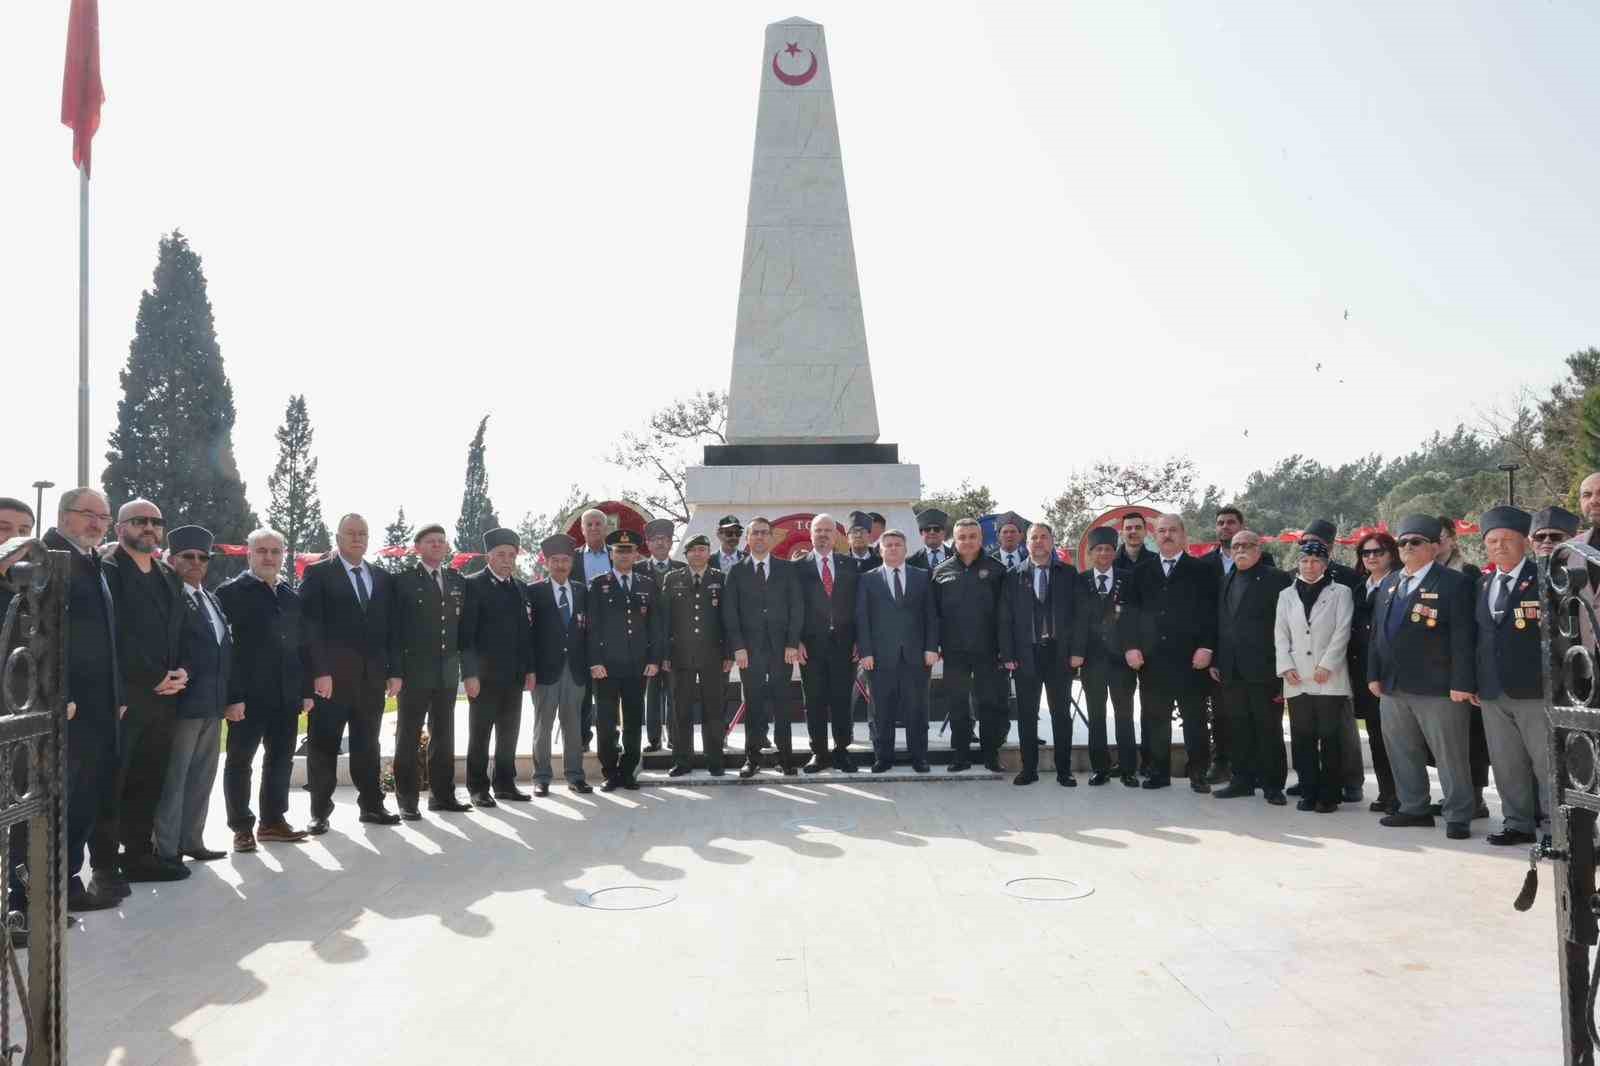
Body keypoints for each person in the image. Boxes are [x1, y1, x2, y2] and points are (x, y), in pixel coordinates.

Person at [95, 497, 189, 884]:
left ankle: (138, 856)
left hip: (166, 698)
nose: (148, 527)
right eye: (139, 521)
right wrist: (152, 677)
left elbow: (178, 631)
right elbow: (115, 634)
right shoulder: (107, 570)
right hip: (127, 696)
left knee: (150, 778)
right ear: (120, 529)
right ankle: (104, 866)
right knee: (115, 782)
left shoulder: (169, 576)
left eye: (155, 521)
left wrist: (182, 672)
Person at [1367, 514, 1477, 839]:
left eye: (1415, 542)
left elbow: (1463, 637)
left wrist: (1462, 682)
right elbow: (1377, 635)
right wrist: (1374, 674)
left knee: (1450, 754)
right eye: (1402, 542)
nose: (1408, 547)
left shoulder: (1454, 583)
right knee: (1401, 750)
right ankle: (1413, 807)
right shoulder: (1389, 582)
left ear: (1433, 546)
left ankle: (1458, 814)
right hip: (1393, 685)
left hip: (1439, 687)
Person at [42, 489, 124, 912]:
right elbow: (43, 634)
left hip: (98, 707)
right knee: (63, 800)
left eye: (103, 517)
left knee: (86, 798)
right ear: (63, 515)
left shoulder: (92, 561)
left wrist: (117, 695)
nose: (97, 523)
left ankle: (69, 884)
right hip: (69, 707)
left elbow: (104, 639)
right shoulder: (48, 557)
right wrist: (64, 694)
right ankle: (48, 892)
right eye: (87, 514)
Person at [299, 513, 401, 833]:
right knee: (323, 746)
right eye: (351, 533)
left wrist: (394, 671)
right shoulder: (318, 574)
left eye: (363, 533)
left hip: (371, 681)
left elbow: (391, 631)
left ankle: (372, 806)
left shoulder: (383, 578)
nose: (358, 538)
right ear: (339, 537)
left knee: (368, 745)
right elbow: (310, 628)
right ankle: (320, 811)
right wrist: (319, 672)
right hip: (331, 682)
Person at [215, 528, 312, 851]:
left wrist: (305, 691)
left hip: (286, 697)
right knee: (240, 761)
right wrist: (232, 697)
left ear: (283, 555)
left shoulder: (289, 595)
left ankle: (273, 822)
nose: (269, 557)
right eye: (262, 551)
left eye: (275, 551)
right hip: (247, 698)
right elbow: (224, 650)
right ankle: (242, 828)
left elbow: (300, 648)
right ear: (249, 554)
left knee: (280, 760)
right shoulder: (230, 593)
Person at [152, 525, 230, 869]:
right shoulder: (169, 597)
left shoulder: (209, 597)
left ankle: (192, 840)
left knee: (202, 777)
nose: (196, 562)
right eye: (188, 556)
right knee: (175, 779)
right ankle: (166, 849)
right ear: (171, 559)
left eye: (202, 557)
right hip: (181, 704)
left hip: (212, 705)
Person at [1121, 514, 1216, 791]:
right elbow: (1128, 614)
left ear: (1184, 535)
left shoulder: (1202, 570)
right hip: (1152, 660)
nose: (1167, 535)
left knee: (1195, 720)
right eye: (1161, 531)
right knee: (1155, 720)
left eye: (1173, 530)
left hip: (1191, 660)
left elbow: (1211, 613)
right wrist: (1131, 647)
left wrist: (1207, 647)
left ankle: (1198, 773)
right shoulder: (1141, 572)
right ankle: (1158, 773)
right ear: (1155, 535)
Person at [1473, 506, 1549, 846]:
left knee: (1547, 764)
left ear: (1525, 542)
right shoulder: (1483, 583)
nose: (1499, 546)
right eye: (1492, 541)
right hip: (1492, 689)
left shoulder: (1544, 577)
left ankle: (1555, 830)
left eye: (1508, 540)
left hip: (1535, 689)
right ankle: (1517, 823)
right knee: (1506, 763)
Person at [389, 523, 471, 818]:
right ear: (418, 547)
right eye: (431, 541)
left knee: (444, 734)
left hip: (447, 670)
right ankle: (407, 800)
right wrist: (395, 671)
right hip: (414, 671)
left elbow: (463, 629)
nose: (437, 545)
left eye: (441, 541)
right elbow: (394, 631)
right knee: (408, 735)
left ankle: (442, 795)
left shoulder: (456, 580)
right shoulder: (403, 582)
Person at [1211, 531, 1293, 803]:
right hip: (1231, 668)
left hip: (1265, 668)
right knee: (1238, 727)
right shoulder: (1225, 580)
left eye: (1247, 545)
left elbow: (1286, 626)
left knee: (1268, 727)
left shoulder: (1277, 579)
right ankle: (1242, 780)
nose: (1241, 550)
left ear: (1259, 549)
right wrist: (1217, 660)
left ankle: (1272, 786)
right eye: (1236, 546)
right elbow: (1222, 624)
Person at [1274, 539, 1355, 813]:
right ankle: (1308, 791)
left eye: (1316, 561)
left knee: (1330, 737)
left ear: (1325, 563)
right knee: (1302, 737)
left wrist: (1327, 665)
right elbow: (1280, 634)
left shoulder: (1340, 592)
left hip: (1328, 676)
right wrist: (1285, 666)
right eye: (1305, 561)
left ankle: (1329, 794)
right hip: (1296, 677)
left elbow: (1343, 630)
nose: (1310, 566)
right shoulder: (1286, 594)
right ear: (1298, 563)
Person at [1000, 521, 1082, 786]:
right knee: (1026, 714)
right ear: (1027, 542)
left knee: (1060, 714)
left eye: (1044, 537)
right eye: (1034, 537)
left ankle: (1064, 770)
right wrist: (1008, 653)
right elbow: (1005, 618)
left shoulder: (1069, 574)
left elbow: (1081, 618)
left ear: (1052, 541)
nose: (1038, 542)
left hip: (1060, 654)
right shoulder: (1013, 575)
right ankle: (1029, 769)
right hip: (1026, 655)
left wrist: (1078, 652)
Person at [459, 528, 535, 806]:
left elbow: (526, 635)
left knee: (508, 734)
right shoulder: (473, 585)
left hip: (513, 676)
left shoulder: (521, 588)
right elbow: (465, 636)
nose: (506, 559)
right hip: (484, 677)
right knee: (480, 735)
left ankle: (504, 783)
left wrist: (530, 669)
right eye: (500, 554)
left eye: (511, 555)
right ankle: (478, 788)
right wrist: (469, 674)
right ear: (489, 555)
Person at [722, 516, 803, 777]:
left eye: (763, 533)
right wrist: (738, 647)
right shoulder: (736, 571)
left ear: (771, 537)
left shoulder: (787, 569)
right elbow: (730, 612)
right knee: (754, 704)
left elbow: (796, 608)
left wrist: (792, 642)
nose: (759, 537)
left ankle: (785, 758)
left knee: (782, 703)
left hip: (782, 649)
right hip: (750, 651)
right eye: (754, 533)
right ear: (747, 538)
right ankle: (752, 759)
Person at [855, 530, 939, 772]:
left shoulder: (922, 577)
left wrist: (931, 647)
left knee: (917, 707)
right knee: (881, 709)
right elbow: (863, 618)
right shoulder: (867, 579)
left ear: (905, 549)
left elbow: (931, 616)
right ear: (880, 550)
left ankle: (919, 757)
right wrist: (866, 652)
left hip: (916, 656)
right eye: (888, 545)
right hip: (879, 657)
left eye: (897, 545)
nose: (892, 548)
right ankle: (883, 757)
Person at [931, 517, 1010, 774]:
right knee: (957, 703)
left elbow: (1005, 614)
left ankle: (990, 754)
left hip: (989, 650)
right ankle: (961, 755)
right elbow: (934, 614)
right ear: (954, 539)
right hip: (954, 651)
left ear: (981, 539)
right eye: (961, 537)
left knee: (989, 702)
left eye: (972, 536)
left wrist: (1004, 648)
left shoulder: (997, 570)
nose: (966, 541)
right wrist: (935, 645)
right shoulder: (941, 571)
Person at [587, 528, 662, 790]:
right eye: (619, 550)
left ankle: (628, 770)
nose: (624, 555)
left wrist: (654, 659)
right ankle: (610, 770)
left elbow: (655, 626)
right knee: (606, 724)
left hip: (637, 666)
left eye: (628, 551)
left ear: (636, 554)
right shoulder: (599, 584)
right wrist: (595, 661)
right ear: (611, 553)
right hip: (606, 667)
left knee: (632, 722)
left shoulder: (647, 584)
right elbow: (592, 627)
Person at [1298, 519, 1364, 802]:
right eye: (1304, 544)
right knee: (1308, 729)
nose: (1309, 552)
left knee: (1342, 728)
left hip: (1338, 664)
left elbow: (1351, 624)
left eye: (1318, 544)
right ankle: (1310, 782)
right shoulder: (1292, 576)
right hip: (1302, 667)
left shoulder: (1348, 578)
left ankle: (1350, 782)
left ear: (1332, 546)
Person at [1433, 514, 1490, 821]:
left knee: (1471, 737)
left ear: (1453, 539)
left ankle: (1476, 797)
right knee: (1446, 741)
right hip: (1433, 673)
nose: (1437, 542)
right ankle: (1454, 794)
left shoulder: (1468, 573)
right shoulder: (1417, 573)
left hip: (1463, 669)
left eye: (1442, 536)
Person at [659, 534, 731, 776]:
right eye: (694, 550)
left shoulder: (720, 579)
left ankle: (715, 760)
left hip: (714, 655)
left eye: (703, 549)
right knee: (681, 710)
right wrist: (665, 653)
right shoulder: (672, 578)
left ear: (709, 553)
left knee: (714, 708)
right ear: (686, 554)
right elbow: (665, 620)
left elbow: (728, 620)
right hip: (681, 655)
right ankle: (682, 760)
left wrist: (729, 652)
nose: (698, 554)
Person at [793, 514, 860, 773]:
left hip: (845, 646)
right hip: (811, 647)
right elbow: (793, 608)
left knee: (842, 700)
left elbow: (859, 608)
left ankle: (841, 751)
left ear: (836, 536)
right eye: (818, 530)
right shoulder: (798, 567)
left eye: (827, 530)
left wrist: (861, 641)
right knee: (815, 701)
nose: (822, 535)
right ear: (810, 535)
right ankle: (819, 753)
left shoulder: (851, 566)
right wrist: (795, 640)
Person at [526, 534, 592, 795]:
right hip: (545, 670)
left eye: (565, 560)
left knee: (573, 725)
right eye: (555, 560)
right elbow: (528, 635)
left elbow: (588, 631)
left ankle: (575, 776)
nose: (560, 565)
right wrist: (529, 668)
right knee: (543, 725)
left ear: (572, 561)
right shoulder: (534, 591)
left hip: (575, 669)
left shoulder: (581, 591)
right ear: (546, 562)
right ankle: (541, 777)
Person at [1073, 527, 1139, 786]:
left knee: (1125, 714)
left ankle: (1128, 769)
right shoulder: (1080, 580)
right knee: (1096, 715)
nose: (1103, 553)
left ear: (1115, 552)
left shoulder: (1128, 579)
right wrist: (1076, 653)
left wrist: (1134, 648)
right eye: (1098, 549)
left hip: (1122, 660)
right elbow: (1075, 621)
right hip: (1092, 661)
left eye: (1108, 549)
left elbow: (1135, 618)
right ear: (1090, 553)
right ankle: (1100, 768)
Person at [1349, 531, 1401, 813]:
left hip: (1392, 676)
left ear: (1391, 553)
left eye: (1377, 552)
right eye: (1365, 553)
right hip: (1364, 675)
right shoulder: (1360, 588)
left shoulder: (1400, 584)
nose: (1371, 557)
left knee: (1398, 740)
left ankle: (1405, 796)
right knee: (1377, 738)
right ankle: (1386, 793)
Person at [641, 518, 682, 752]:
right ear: (648, 543)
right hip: (647, 644)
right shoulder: (638, 570)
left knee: (675, 694)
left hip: (676, 642)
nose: (660, 543)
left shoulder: (681, 569)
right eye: (655, 539)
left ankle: (674, 738)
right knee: (652, 694)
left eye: (665, 539)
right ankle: (654, 739)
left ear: (670, 542)